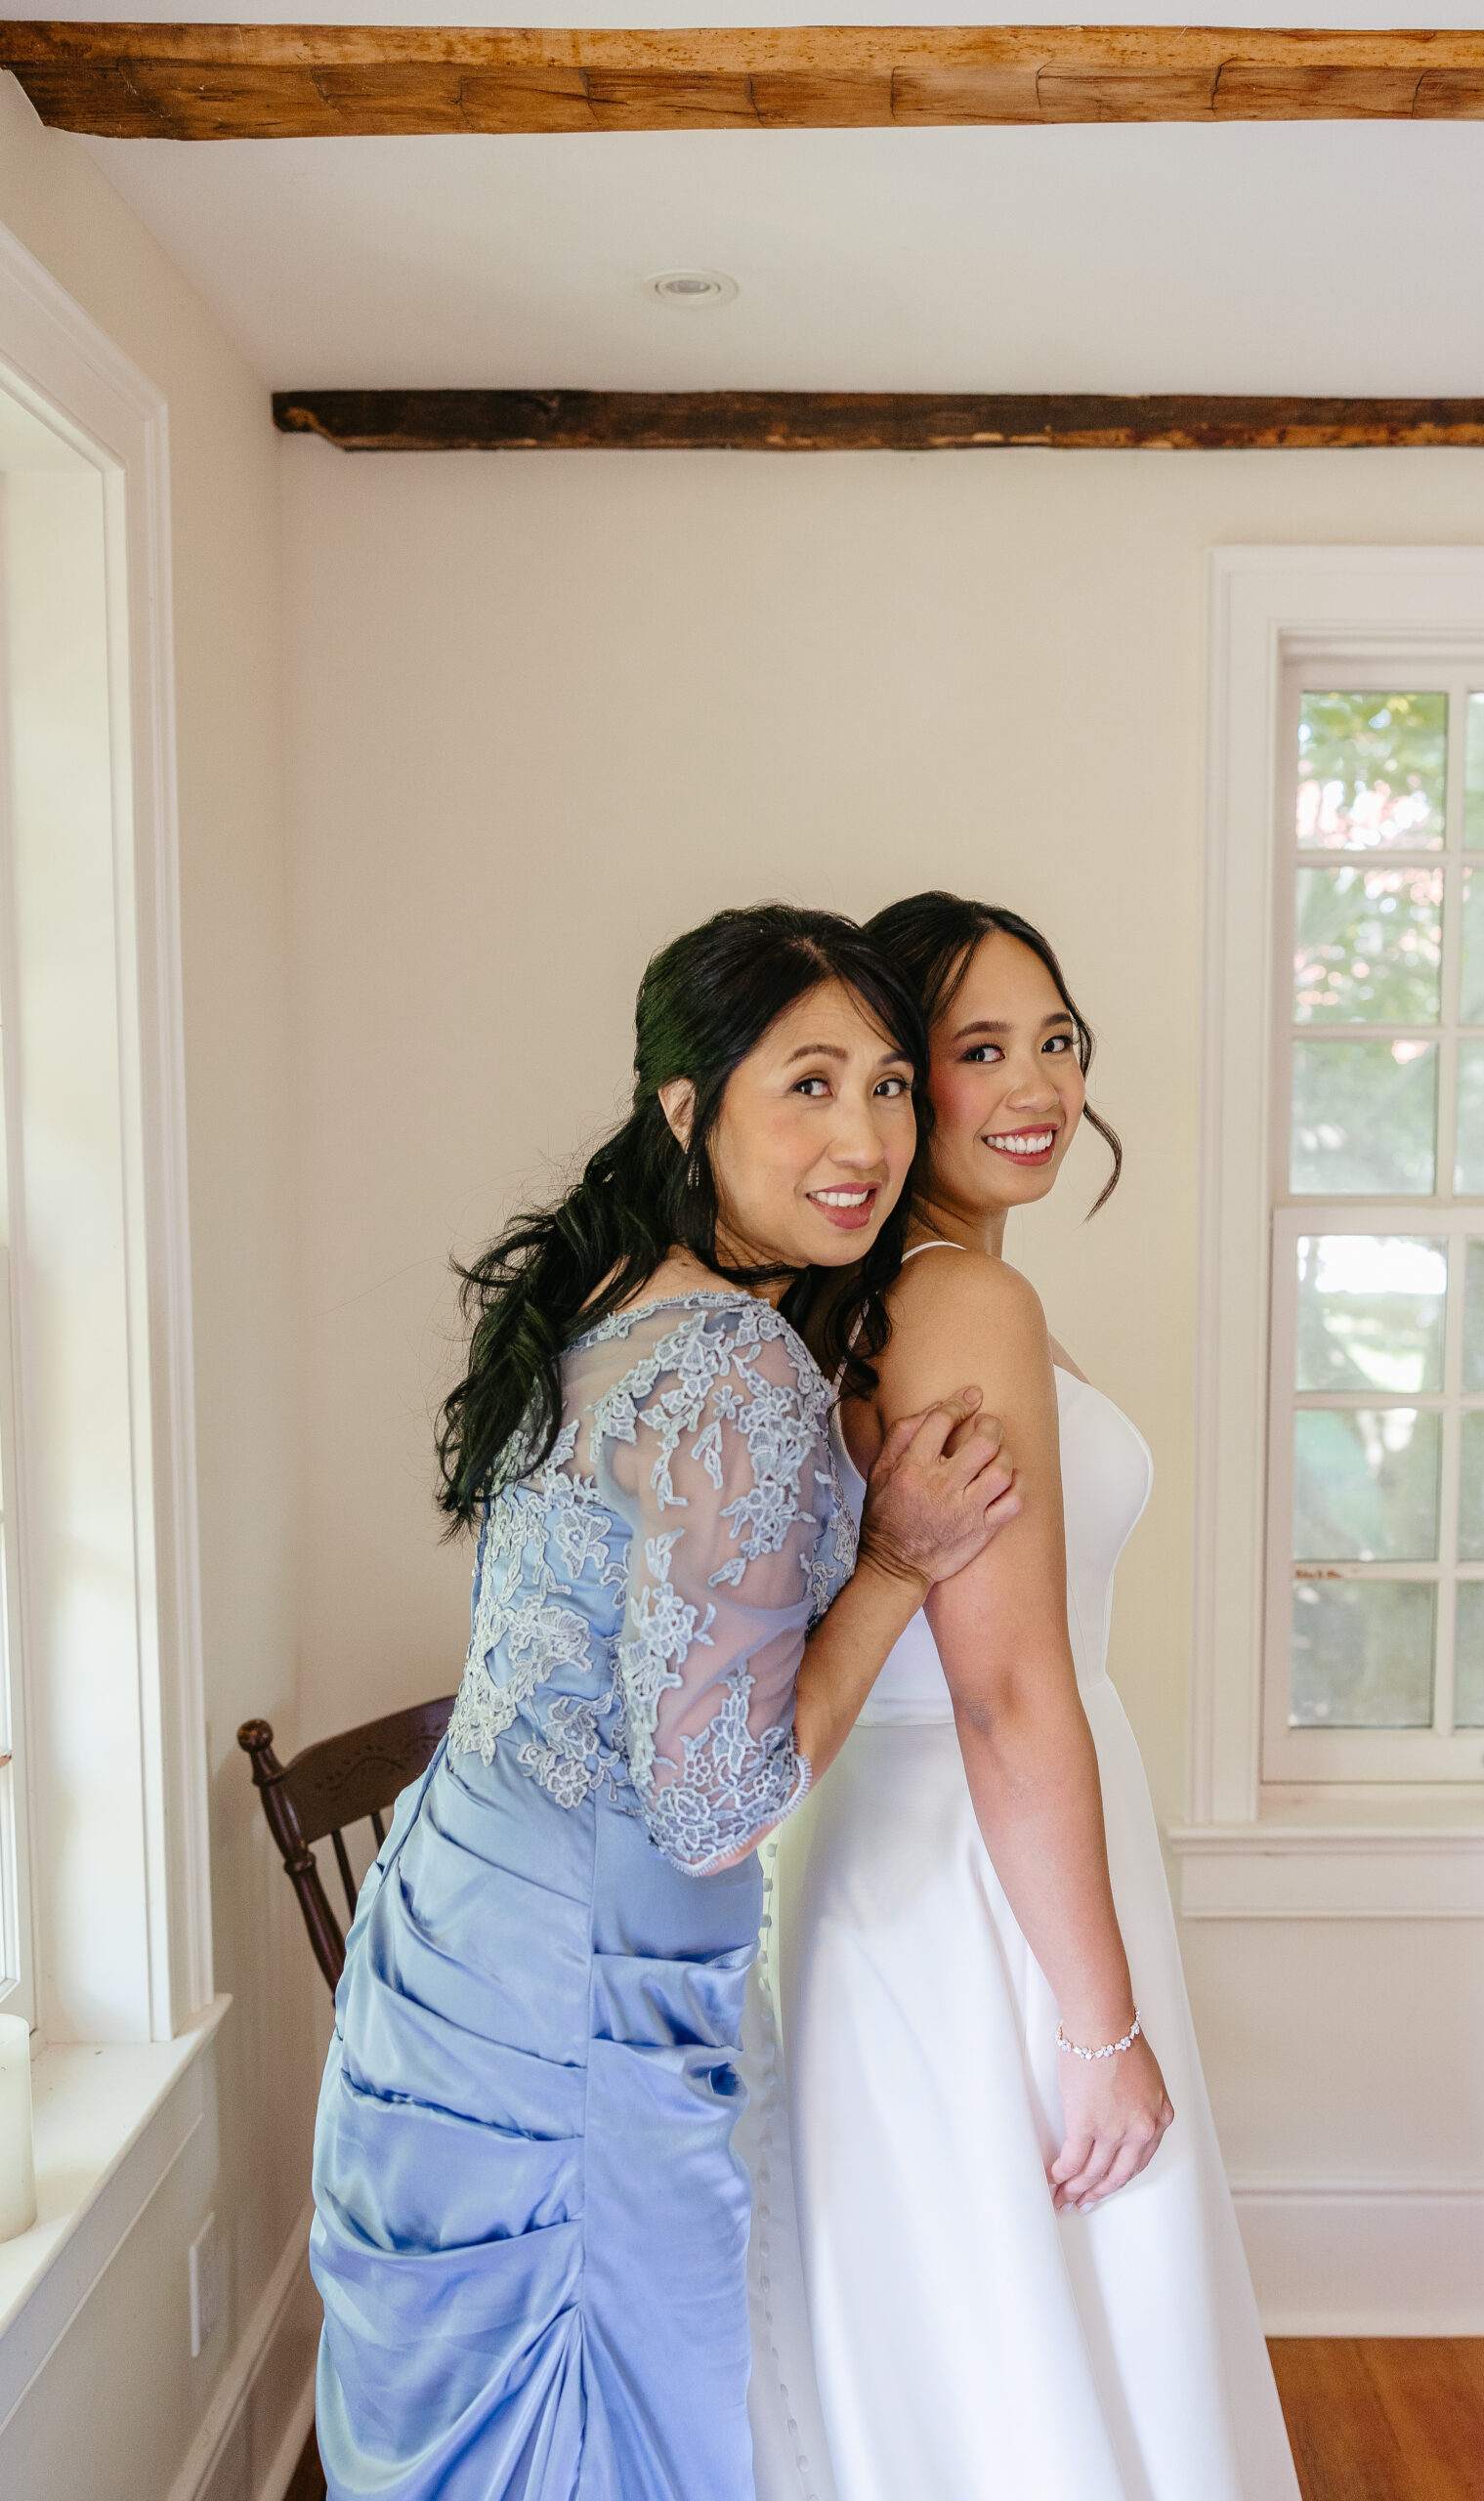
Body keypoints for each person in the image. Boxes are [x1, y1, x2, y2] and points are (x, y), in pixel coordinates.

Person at [309, 904, 1023, 2501]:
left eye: (895, 1085)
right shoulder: (740, 1374)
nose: (868, 1136)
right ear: (689, 1107)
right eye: (811, 1084)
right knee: (608, 2443)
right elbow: (713, 1807)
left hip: (452, 1932)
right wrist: (898, 1567)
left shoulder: (610, 1297)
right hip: (582, 2004)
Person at [742, 894, 1300, 2501]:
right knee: (1032, 2325)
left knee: (963, 2335)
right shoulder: (962, 1302)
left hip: (936, 1863)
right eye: (979, 1050)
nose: (1040, 1084)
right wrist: (1100, 2020)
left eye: (1057, 1041)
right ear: (904, 1084)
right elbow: (999, 1698)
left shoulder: (896, 1296)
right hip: (979, 1884)